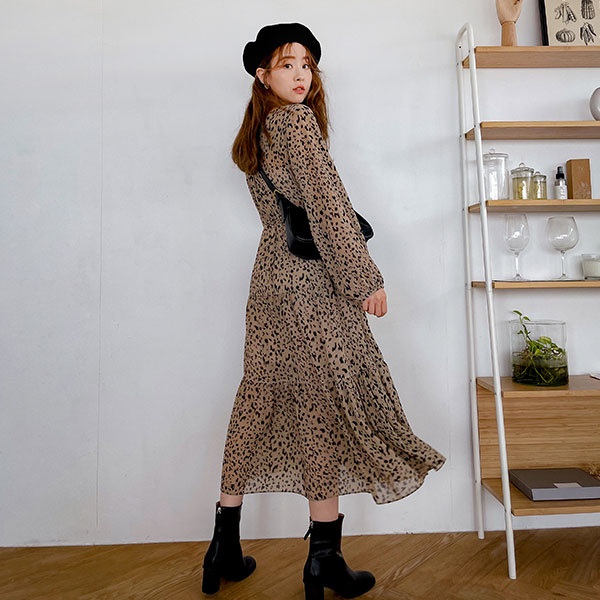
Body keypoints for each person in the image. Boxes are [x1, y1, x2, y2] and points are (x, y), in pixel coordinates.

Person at [202, 22, 445, 599]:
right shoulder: (296, 123)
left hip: (270, 279)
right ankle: (323, 559)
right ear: (262, 73)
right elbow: (329, 206)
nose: (300, 74)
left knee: (258, 396)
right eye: (286, 64)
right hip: (313, 283)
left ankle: (223, 545)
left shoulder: (258, 130)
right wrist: (365, 279)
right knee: (323, 403)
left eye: (306, 64)